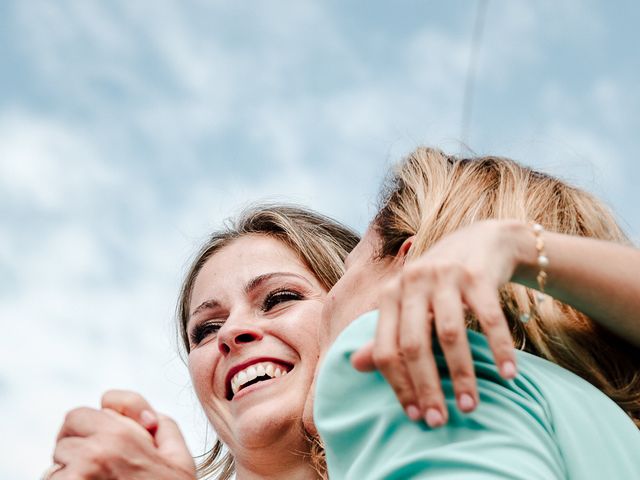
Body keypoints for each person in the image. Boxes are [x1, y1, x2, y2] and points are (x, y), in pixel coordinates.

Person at [47, 149, 640, 479]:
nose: (232, 333)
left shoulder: (398, 370)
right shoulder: (604, 424)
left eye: (281, 298)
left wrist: (517, 245)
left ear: (405, 271)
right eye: (204, 329)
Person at [313, 147, 640, 478]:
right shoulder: (611, 424)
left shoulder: (399, 364)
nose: (331, 298)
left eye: (345, 269)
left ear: (408, 263)